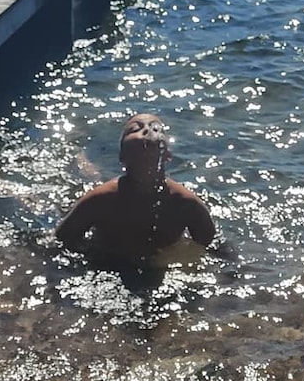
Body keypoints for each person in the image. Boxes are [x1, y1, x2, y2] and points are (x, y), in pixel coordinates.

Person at [55, 113, 215, 266]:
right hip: (106, 264)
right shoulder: (100, 200)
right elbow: (59, 243)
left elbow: (216, 248)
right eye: (135, 129)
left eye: (156, 128)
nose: (148, 130)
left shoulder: (186, 203)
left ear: (167, 155)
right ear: (122, 156)